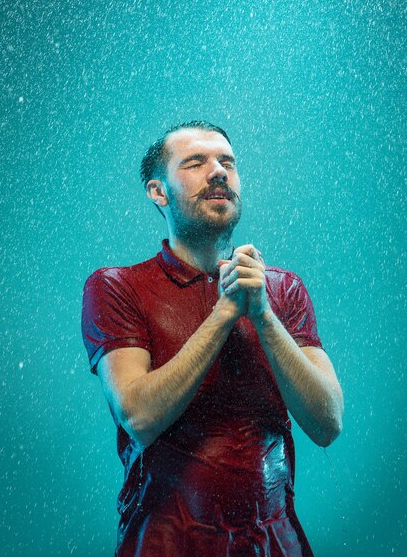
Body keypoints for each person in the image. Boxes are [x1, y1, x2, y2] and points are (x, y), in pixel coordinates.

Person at [81, 121, 344, 557]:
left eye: (227, 162)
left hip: (278, 544)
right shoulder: (115, 287)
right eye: (196, 162)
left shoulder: (283, 290)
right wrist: (225, 312)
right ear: (158, 192)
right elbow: (140, 417)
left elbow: (328, 422)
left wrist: (262, 315)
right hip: (164, 544)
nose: (218, 171)